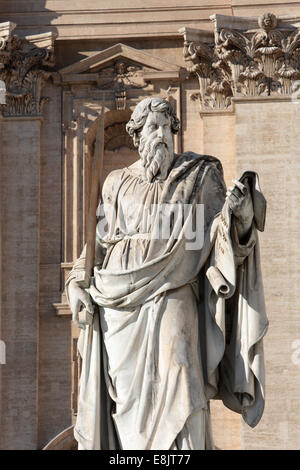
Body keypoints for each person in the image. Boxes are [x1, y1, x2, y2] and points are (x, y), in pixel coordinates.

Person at [66, 97, 268, 450]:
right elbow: (99, 242)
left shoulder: (199, 176)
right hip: (119, 306)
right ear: (138, 135)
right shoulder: (116, 183)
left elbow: (223, 237)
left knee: (182, 373)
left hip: (176, 290)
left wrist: (244, 217)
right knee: (125, 396)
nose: (161, 134)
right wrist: (76, 283)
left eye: (166, 126)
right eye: (152, 127)